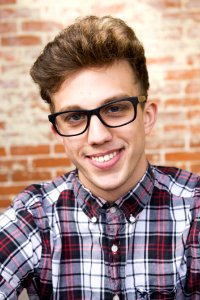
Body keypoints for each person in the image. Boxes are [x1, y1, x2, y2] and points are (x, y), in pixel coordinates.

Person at [0, 15, 199, 300]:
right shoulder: (34, 216)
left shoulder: (194, 209)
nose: (97, 136)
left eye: (115, 109)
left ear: (147, 117)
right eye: (75, 116)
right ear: (58, 132)